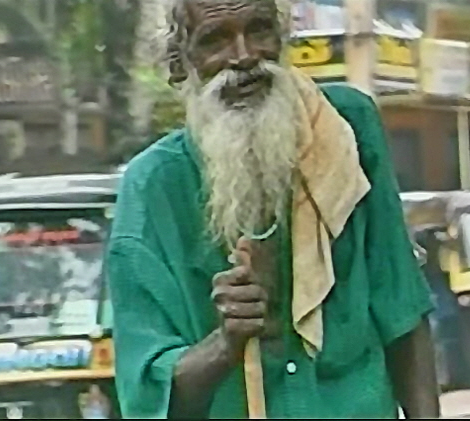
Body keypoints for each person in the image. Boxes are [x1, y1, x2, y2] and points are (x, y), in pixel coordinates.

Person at [107, 0, 440, 418]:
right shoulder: (153, 187)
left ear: (282, 38)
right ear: (180, 62)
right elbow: (148, 396)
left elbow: (402, 309)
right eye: (215, 39)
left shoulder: (346, 129)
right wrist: (225, 343)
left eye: (259, 29)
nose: (244, 56)